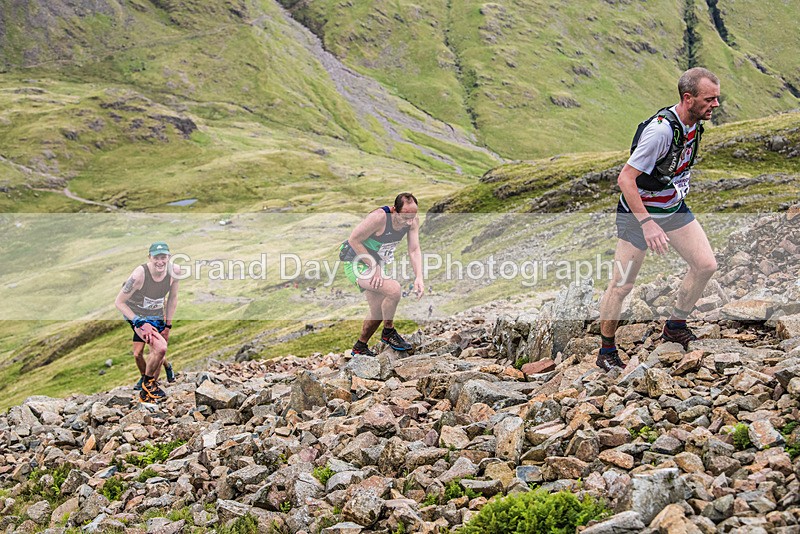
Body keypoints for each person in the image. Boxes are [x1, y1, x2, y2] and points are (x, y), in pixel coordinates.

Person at [597, 67, 720, 371]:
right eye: (709, 99)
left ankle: (675, 326)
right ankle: (606, 351)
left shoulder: (694, 125)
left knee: (706, 265)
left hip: (672, 207)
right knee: (623, 285)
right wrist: (647, 223)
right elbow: (625, 179)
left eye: (717, 98)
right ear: (688, 98)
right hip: (638, 213)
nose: (715, 105)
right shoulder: (661, 131)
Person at [340, 193, 425, 356]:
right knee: (394, 290)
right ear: (394, 210)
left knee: (378, 311)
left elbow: (414, 250)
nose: (409, 221)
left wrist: (419, 277)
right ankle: (388, 332)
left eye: (412, 216)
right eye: (405, 217)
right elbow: (353, 240)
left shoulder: (412, 220)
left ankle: (360, 347)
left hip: (377, 264)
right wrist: (374, 266)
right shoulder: (379, 217)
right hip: (356, 261)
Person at [114, 242, 182, 401]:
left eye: (163, 257)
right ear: (149, 258)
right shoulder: (139, 275)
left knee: (158, 351)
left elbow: (172, 298)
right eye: (156, 257)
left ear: (169, 257)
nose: (160, 261)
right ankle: (148, 382)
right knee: (159, 347)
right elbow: (119, 302)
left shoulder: (175, 272)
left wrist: (168, 325)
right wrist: (139, 322)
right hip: (137, 314)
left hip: (156, 313)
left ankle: (147, 392)